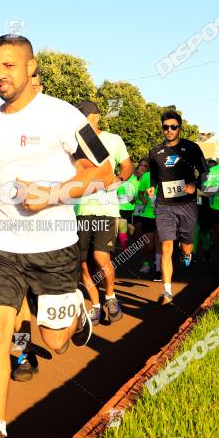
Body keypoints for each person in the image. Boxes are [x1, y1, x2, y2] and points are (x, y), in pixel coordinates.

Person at [0, 34, 112, 438]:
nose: (0, 75)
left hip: (54, 245)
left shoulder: (65, 116)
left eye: (9, 65)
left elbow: (104, 172)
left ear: (30, 67)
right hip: (1, 245)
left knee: (55, 341)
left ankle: (76, 310)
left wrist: (53, 195)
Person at [141, 111, 208, 306]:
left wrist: (195, 185)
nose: (169, 130)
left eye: (173, 127)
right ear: (162, 128)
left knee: (186, 244)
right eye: (165, 127)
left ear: (180, 127)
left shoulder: (191, 148)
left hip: (186, 204)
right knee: (166, 245)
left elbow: (205, 172)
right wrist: (151, 185)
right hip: (164, 205)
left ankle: (186, 253)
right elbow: (154, 174)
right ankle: (167, 292)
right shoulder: (155, 152)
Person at [73, 100, 131, 324]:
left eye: (84, 116)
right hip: (81, 210)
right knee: (83, 263)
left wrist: (120, 178)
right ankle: (96, 305)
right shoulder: (74, 143)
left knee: (100, 256)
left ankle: (111, 297)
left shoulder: (113, 140)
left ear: (95, 117)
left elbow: (127, 166)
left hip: (106, 209)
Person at [132, 159, 158, 277]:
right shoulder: (133, 179)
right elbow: (136, 194)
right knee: (142, 240)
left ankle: (156, 261)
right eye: (141, 165)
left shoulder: (150, 177)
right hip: (138, 211)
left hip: (151, 212)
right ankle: (146, 262)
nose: (142, 167)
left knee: (154, 241)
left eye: (145, 166)